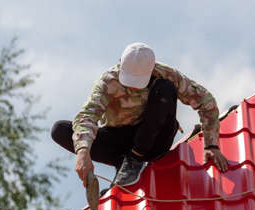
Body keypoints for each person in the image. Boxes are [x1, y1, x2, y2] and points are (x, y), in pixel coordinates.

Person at [51, 42, 228, 190]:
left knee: (165, 88)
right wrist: (83, 151)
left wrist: (211, 144)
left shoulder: (166, 74)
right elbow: (87, 115)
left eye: (139, 83)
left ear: (151, 70)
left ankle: (136, 158)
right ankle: (124, 162)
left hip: (154, 136)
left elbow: (206, 101)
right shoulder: (108, 81)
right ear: (120, 64)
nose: (134, 88)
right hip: (118, 139)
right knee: (60, 130)